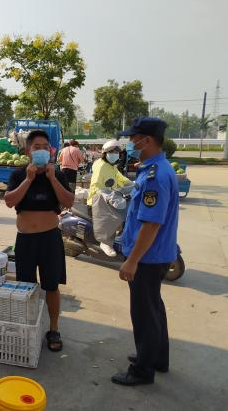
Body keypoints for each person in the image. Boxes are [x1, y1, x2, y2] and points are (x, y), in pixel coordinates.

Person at [111, 117, 179, 386]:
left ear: (147, 141)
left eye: (133, 138)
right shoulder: (155, 168)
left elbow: (151, 224)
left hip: (148, 257)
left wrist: (132, 261)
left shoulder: (155, 176)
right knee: (154, 308)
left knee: (143, 313)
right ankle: (157, 357)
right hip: (157, 254)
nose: (130, 143)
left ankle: (142, 370)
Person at [4, 130, 74, 352]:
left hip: (50, 240)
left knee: (51, 287)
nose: (42, 150)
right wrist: (28, 179)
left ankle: (53, 329)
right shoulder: (18, 174)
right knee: (25, 286)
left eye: (45, 146)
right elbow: (9, 201)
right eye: (36, 147)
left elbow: (69, 202)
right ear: (28, 151)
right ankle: (27, 325)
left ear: (51, 151)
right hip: (25, 240)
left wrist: (53, 178)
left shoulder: (58, 175)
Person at [87, 140, 132, 257]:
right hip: (97, 200)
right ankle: (105, 242)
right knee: (115, 217)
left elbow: (121, 178)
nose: (115, 154)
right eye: (111, 152)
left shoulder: (112, 167)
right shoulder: (101, 166)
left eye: (117, 152)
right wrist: (108, 195)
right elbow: (97, 185)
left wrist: (134, 184)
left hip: (111, 197)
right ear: (105, 153)